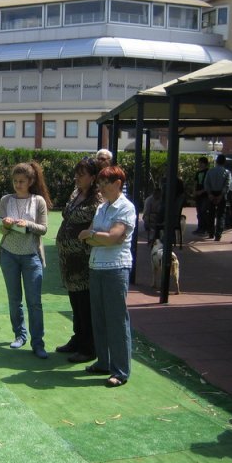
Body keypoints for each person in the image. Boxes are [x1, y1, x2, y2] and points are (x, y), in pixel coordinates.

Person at [78, 166, 136, 387]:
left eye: (105, 183)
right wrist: (99, 237)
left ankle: (120, 371)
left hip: (116, 269)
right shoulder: (102, 207)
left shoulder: (126, 208)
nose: (100, 187)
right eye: (100, 183)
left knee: (116, 320)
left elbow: (113, 237)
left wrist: (96, 236)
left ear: (118, 184)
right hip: (97, 267)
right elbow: (91, 237)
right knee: (99, 318)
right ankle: (104, 362)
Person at [0, 161, 52, 359]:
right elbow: (1, 229)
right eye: (15, 181)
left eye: (21, 181)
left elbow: (44, 229)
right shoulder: (6, 200)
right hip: (8, 255)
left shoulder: (38, 201)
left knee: (34, 302)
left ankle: (38, 343)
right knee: (14, 300)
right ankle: (20, 335)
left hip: (31, 256)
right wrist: (5, 224)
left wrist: (27, 224)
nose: (18, 185)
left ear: (30, 181)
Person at [55, 157, 102, 362]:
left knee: (85, 303)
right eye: (77, 173)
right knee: (75, 301)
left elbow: (95, 227)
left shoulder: (98, 200)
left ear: (93, 177)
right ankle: (78, 337)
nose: (77, 177)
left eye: (82, 174)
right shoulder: (76, 193)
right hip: (69, 259)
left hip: (83, 259)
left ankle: (88, 347)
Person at [204, 154, 231, 241]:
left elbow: (206, 183)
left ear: (216, 161)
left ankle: (210, 232)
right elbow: (227, 185)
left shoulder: (210, 171)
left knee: (210, 214)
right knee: (221, 215)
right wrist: (221, 196)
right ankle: (218, 234)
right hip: (221, 194)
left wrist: (210, 194)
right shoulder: (227, 172)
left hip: (211, 192)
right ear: (224, 162)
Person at [192, 157, 210, 235]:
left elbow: (208, 185)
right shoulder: (198, 173)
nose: (199, 164)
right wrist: (194, 191)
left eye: (201, 163)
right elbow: (195, 183)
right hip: (198, 195)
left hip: (205, 195)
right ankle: (200, 227)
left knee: (203, 211)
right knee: (199, 212)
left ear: (205, 164)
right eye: (199, 163)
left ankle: (205, 228)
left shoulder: (208, 172)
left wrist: (201, 191)